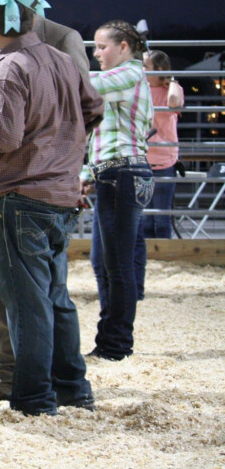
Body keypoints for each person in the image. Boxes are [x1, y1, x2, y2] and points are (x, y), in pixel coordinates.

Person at [0, 0, 103, 416]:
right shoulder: (62, 58)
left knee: (25, 302)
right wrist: (65, 149)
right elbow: (92, 108)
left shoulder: (9, 66)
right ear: (32, 16)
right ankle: (73, 388)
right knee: (55, 295)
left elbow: (4, 134)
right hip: (60, 193)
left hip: (20, 196)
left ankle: (35, 398)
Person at [84, 20, 153, 361]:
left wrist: (52, 71)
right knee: (105, 262)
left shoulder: (128, 75)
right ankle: (110, 338)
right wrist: (86, 172)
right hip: (116, 174)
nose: (96, 54)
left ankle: (117, 344)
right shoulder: (124, 81)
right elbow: (100, 136)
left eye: (102, 47)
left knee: (117, 264)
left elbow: (87, 85)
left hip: (122, 174)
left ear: (124, 47)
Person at [141, 49, 185, 243]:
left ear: (158, 69)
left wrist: (172, 80)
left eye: (146, 66)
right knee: (145, 219)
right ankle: (148, 257)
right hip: (142, 160)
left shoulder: (171, 90)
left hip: (164, 162)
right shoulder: (140, 88)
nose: (142, 70)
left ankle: (165, 257)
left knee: (162, 217)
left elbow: (174, 102)